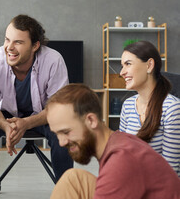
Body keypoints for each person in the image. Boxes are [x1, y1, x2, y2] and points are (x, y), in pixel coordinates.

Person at [0, 14, 73, 199]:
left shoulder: (54, 60)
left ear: (35, 45)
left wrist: (26, 123)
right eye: (7, 39)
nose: (9, 48)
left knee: (64, 129)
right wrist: (6, 126)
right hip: (6, 114)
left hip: (44, 113)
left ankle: (65, 193)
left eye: (18, 42)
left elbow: (58, 106)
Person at [46, 83, 180, 199]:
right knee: (73, 179)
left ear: (91, 120)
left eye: (66, 132)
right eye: (57, 134)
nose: (61, 142)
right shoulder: (118, 141)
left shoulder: (120, 161)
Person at [119, 41, 180, 177]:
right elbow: (122, 155)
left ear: (149, 65)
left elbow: (169, 173)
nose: (122, 72)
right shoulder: (128, 105)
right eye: (122, 66)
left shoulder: (172, 108)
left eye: (128, 64)